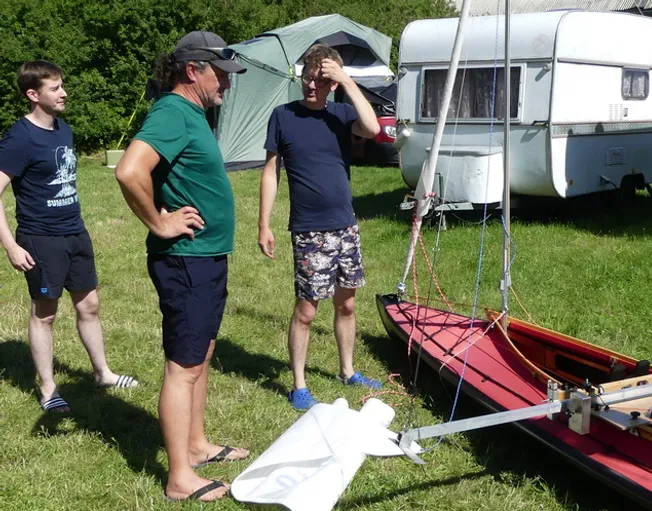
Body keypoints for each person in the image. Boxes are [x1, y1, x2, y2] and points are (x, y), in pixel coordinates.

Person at [115, 32, 249, 502]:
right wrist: (160, 222)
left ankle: (196, 444)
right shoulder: (172, 111)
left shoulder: (193, 114)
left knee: (201, 355)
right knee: (183, 367)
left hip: (205, 257)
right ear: (193, 70)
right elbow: (129, 170)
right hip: (186, 261)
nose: (226, 85)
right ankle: (178, 477)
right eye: (221, 75)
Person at [0, 60, 139, 414]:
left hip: (75, 231)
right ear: (33, 95)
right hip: (41, 238)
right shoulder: (19, 138)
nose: (64, 93)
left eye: (62, 85)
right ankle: (48, 389)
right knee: (45, 314)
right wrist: (11, 246)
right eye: (55, 88)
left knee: (89, 305)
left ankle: (103, 373)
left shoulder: (64, 130)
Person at [258, 44, 382, 411]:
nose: (312, 86)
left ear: (333, 84)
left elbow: (373, 128)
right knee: (307, 311)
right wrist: (264, 224)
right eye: (307, 78)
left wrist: (347, 81)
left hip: (345, 226)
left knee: (347, 305)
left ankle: (348, 371)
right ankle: (299, 385)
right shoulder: (283, 116)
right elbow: (270, 172)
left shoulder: (341, 115)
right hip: (310, 230)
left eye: (320, 80)